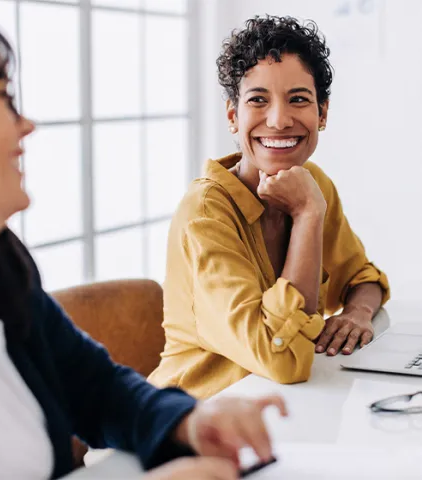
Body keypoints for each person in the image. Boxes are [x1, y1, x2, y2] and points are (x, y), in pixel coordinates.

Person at [0, 11, 288, 480]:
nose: (26, 126)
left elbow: (94, 387)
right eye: (4, 98)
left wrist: (191, 421)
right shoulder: (208, 207)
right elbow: (278, 350)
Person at [148, 15, 390, 399]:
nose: (279, 120)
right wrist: (308, 214)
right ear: (233, 115)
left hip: (281, 410)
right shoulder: (207, 213)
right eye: (258, 100)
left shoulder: (314, 183)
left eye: (298, 99)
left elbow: (362, 278)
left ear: (322, 114)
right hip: (194, 419)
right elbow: (282, 359)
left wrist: (356, 313)